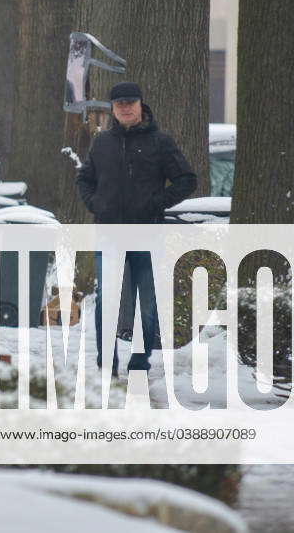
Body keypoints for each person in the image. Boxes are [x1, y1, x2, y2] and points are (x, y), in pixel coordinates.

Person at [76, 82, 196, 373]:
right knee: (107, 298)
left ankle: (140, 361)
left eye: (131, 102)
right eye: (119, 104)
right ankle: (106, 362)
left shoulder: (160, 142)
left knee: (147, 299)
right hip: (109, 233)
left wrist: (157, 203)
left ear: (141, 104)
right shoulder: (102, 143)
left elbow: (186, 179)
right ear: (113, 109)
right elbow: (84, 178)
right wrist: (95, 204)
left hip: (147, 233)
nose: (125, 108)